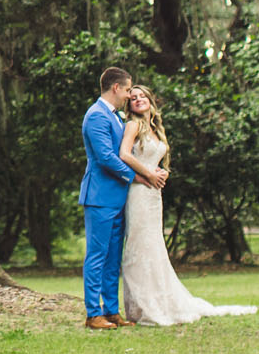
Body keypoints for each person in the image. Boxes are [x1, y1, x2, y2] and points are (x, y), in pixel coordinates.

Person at [118, 85, 258, 325]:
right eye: (133, 98)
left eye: (143, 97)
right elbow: (124, 155)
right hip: (139, 192)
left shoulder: (155, 129)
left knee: (155, 248)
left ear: (151, 101)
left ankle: (161, 302)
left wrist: (161, 173)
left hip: (154, 195)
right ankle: (141, 309)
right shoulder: (133, 126)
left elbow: (152, 157)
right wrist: (149, 175)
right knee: (138, 249)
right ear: (129, 105)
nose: (138, 100)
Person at [79, 67, 143, 330]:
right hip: (100, 197)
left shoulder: (115, 116)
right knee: (97, 256)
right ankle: (93, 313)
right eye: (128, 90)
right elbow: (105, 157)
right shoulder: (96, 115)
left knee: (113, 258)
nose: (129, 95)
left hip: (117, 198)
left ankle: (112, 311)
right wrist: (136, 176)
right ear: (116, 88)